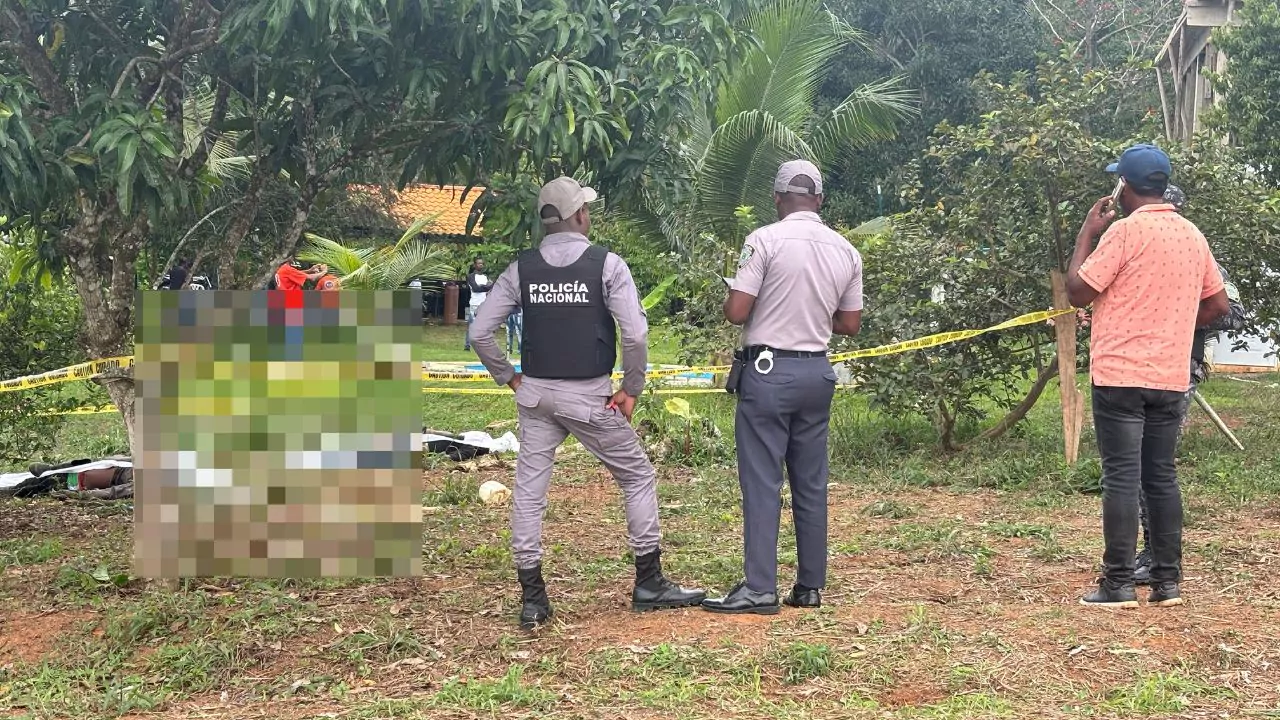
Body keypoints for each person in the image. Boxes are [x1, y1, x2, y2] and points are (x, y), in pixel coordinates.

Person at [467, 176, 705, 630]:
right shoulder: (607, 265)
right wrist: (631, 388)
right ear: (579, 215)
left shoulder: (521, 269)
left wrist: (509, 377)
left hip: (536, 396)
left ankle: (533, 599)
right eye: (586, 209)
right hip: (589, 397)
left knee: (529, 493)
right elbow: (635, 334)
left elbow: (480, 332)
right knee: (636, 476)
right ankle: (649, 582)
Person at [1066, 144, 1229, 609]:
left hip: (1120, 374)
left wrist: (1087, 233)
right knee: (1161, 477)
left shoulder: (1123, 232)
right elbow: (1218, 305)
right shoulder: (1192, 234)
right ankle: (1167, 584)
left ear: (1124, 185)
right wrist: (1172, 326)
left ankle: (1117, 584)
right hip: (1170, 375)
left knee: (1121, 477)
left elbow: (1078, 292)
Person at [701, 160, 864, 615]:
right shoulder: (846, 250)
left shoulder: (764, 240)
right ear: (820, 199)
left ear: (776, 199)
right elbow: (850, 323)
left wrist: (754, 300)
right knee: (810, 483)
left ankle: (759, 588)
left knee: (762, 481)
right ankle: (809, 586)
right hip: (817, 373)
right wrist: (812, 312)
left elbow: (737, 311)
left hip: (769, 373)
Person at [1131, 183, 1247, 585]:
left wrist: (1178, 314)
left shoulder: (1196, 253)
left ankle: (1159, 557)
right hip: (1134, 368)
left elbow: (1234, 313)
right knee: (1137, 464)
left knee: (1152, 464)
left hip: (1178, 368)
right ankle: (1153, 552)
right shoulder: (1137, 251)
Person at [464, 258, 492, 352]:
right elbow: (476, 289)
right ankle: (468, 345)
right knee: (473, 326)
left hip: (484, 304)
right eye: (479, 263)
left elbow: (491, 286)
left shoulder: (485, 276)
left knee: (484, 326)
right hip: (475, 304)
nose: (481, 265)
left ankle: (481, 344)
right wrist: (486, 287)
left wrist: (483, 287)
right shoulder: (471, 276)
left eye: (482, 263)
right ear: (475, 265)